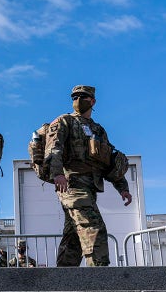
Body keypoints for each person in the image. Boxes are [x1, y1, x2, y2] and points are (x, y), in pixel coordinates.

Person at [47, 85, 132, 267]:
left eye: (82, 96)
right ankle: (99, 279)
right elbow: (54, 149)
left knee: (74, 238)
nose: (78, 100)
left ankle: (63, 281)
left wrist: (122, 188)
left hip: (90, 188)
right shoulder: (65, 121)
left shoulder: (98, 130)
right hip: (71, 185)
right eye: (74, 97)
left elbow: (109, 161)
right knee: (94, 228)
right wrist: (57, 174)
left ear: (92, 101)